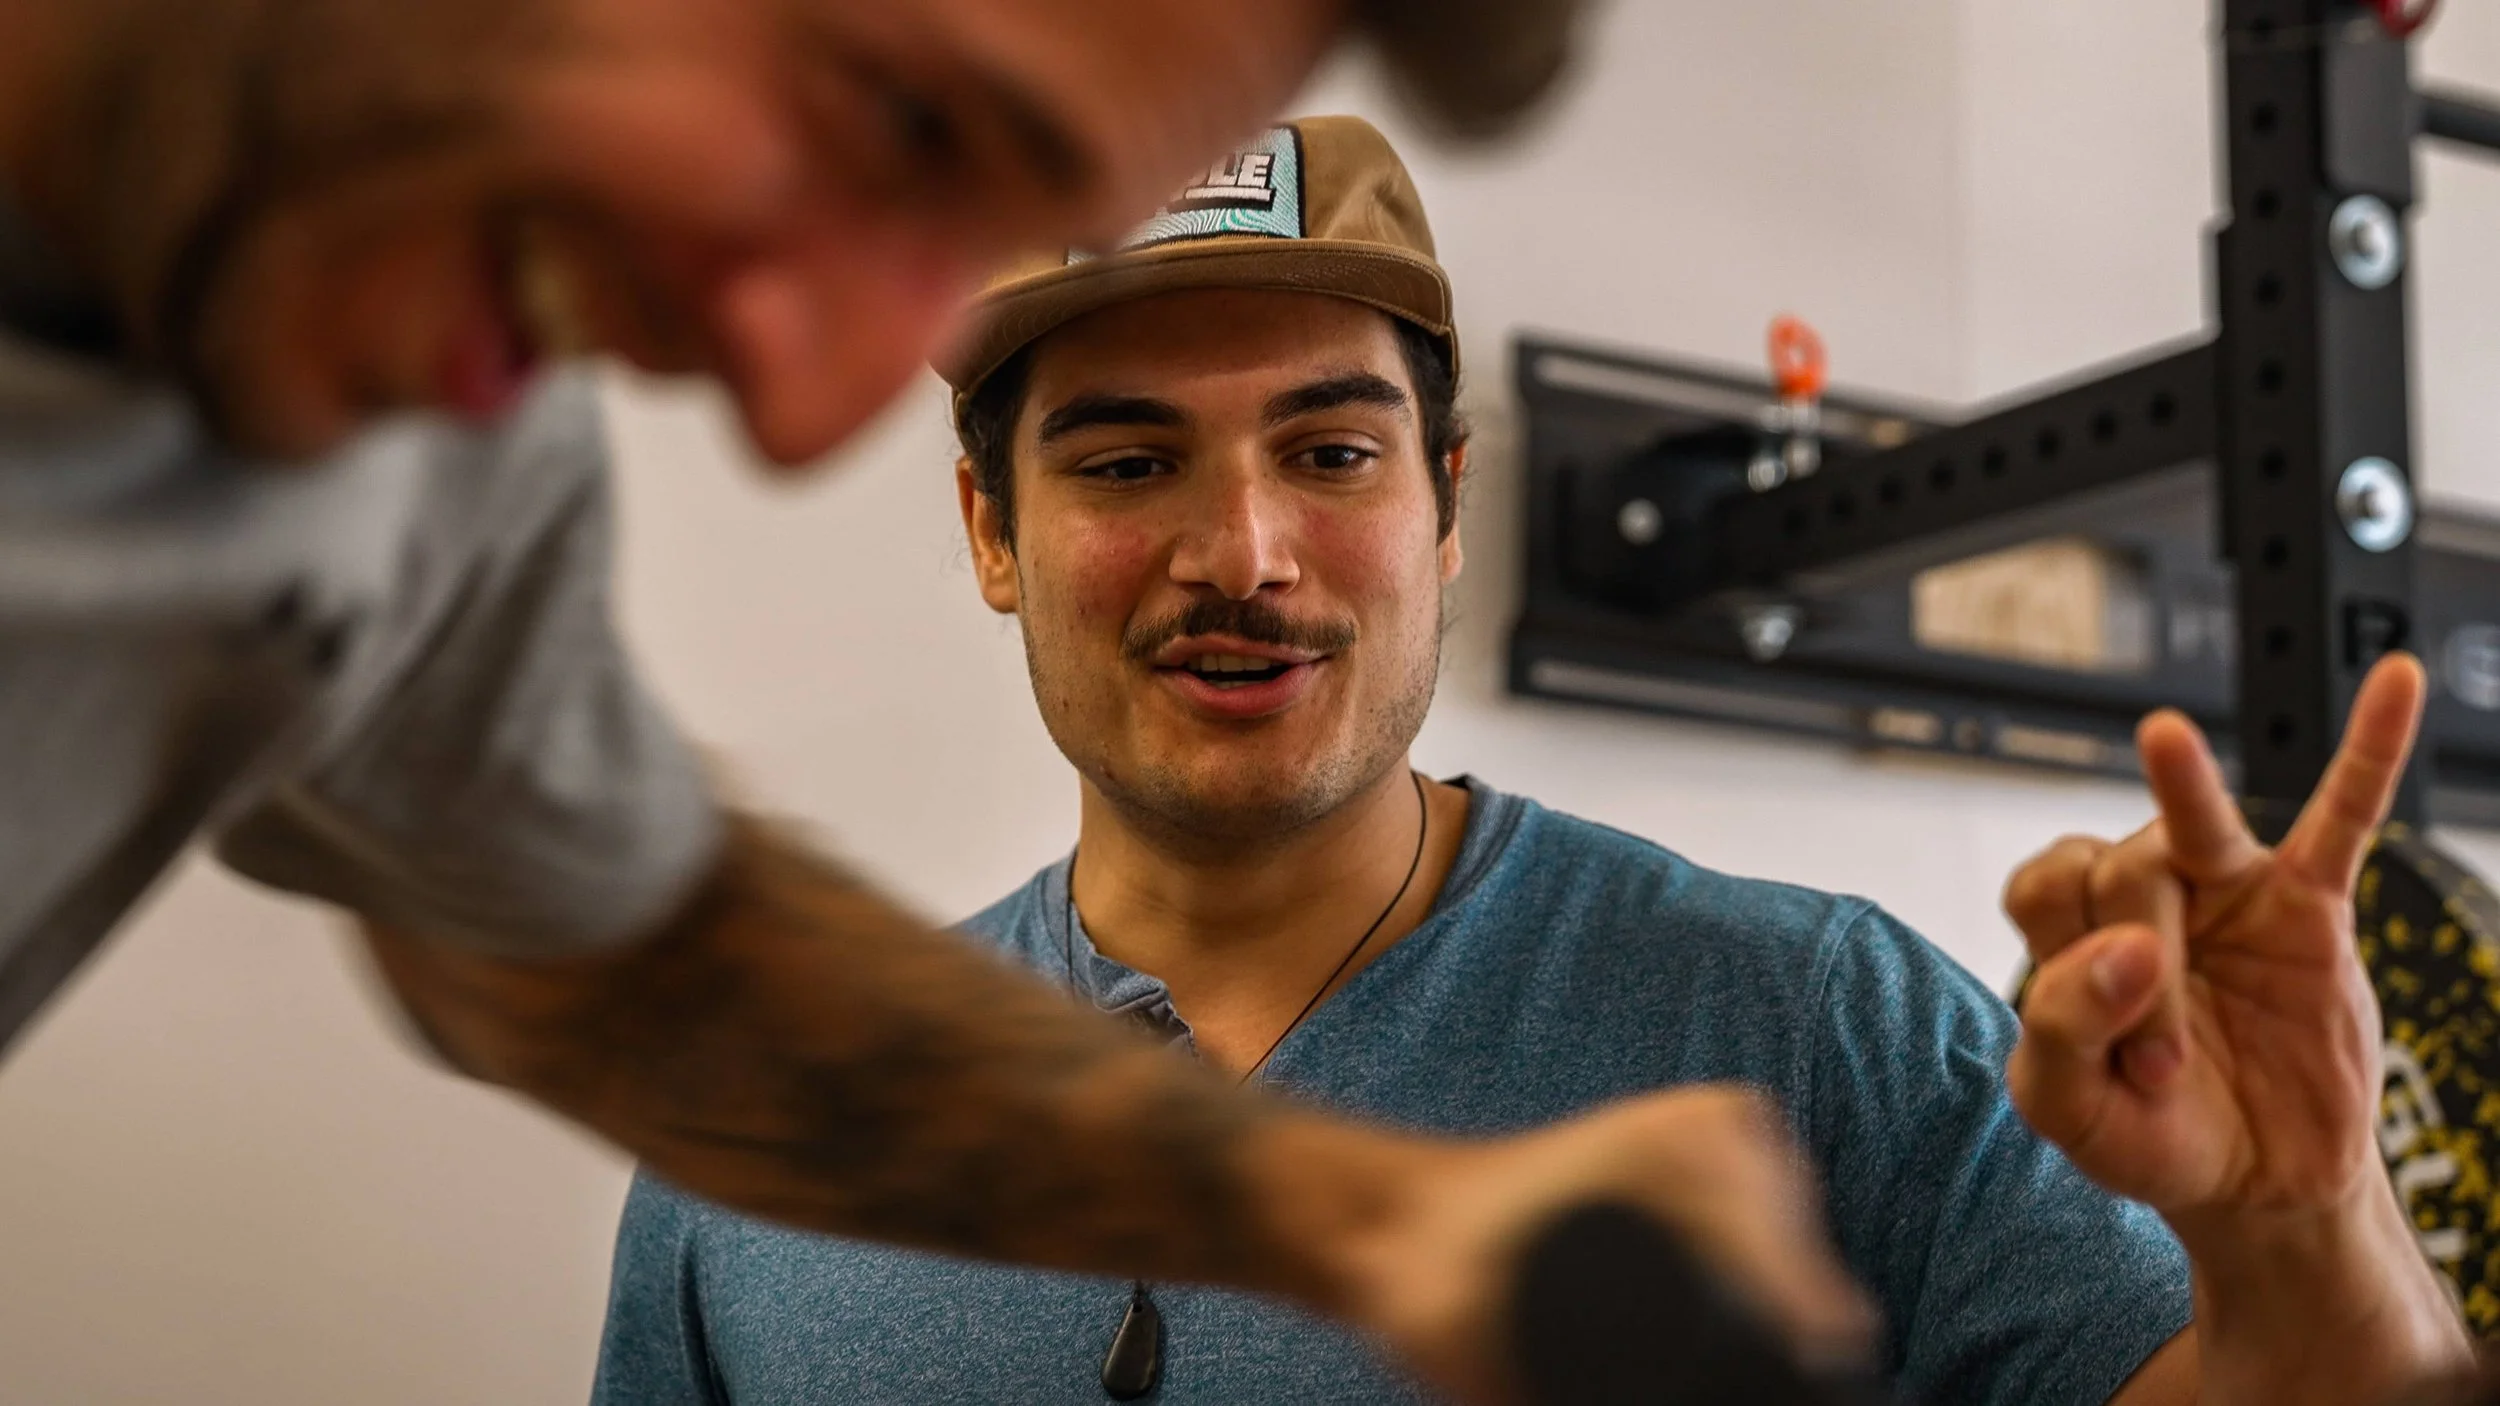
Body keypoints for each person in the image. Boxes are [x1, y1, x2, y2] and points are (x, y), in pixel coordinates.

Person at [0, 3, 1879, 1401]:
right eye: (893, 115)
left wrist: (1382, 1226)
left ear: (1445, 502)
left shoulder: (427, 455)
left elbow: (631, 977)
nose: (801, 403)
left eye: (1329, 451)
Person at [594, 115, 2474, 1405]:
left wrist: (2306, 1226)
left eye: (1331, 453)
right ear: (991, 531)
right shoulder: (764, 1141)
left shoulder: (1824, 1027)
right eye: (1128, 460)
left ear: (1445, 507)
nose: (1243, 551)